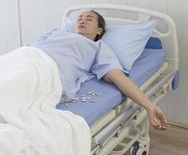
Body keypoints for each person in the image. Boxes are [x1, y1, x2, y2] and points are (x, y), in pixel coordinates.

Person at [32, 10, 169, 131]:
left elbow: (119, 78)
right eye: (79, 18)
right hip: (26, 58)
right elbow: (30, 48)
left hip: (46, 71)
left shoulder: (97, 48)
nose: (82, 20)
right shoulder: (57, 33)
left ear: (99, 31)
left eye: (89, 19)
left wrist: (149, 106)